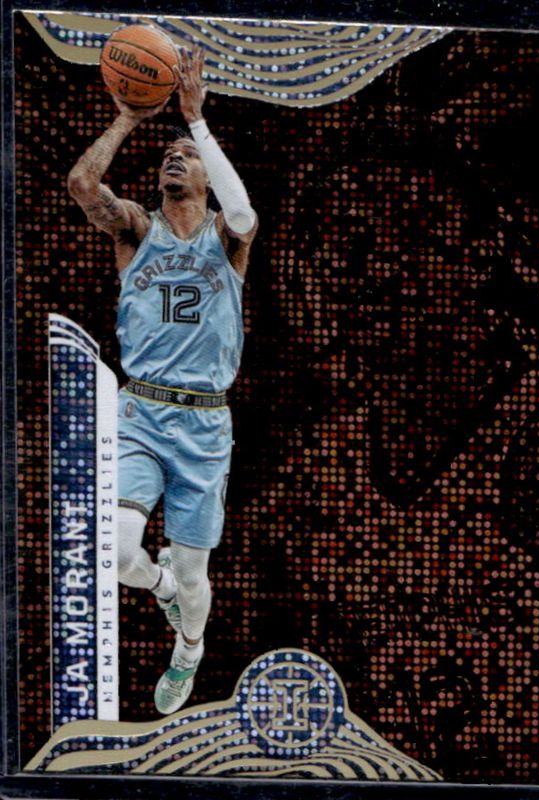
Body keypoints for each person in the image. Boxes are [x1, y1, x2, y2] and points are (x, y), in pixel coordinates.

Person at [67, 45, 257, 715]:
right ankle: (160, 587)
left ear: (207, 173)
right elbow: (83, 186)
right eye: (167, 154)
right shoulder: (136, 229)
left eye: (187, 155)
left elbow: (244, 212)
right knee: (119, 555)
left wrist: (196, 120)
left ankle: (190, 649)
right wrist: (127, 118)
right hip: (141, 413)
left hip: (204, 423)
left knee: (199, 579)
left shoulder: (228, 237)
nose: (173, 158)